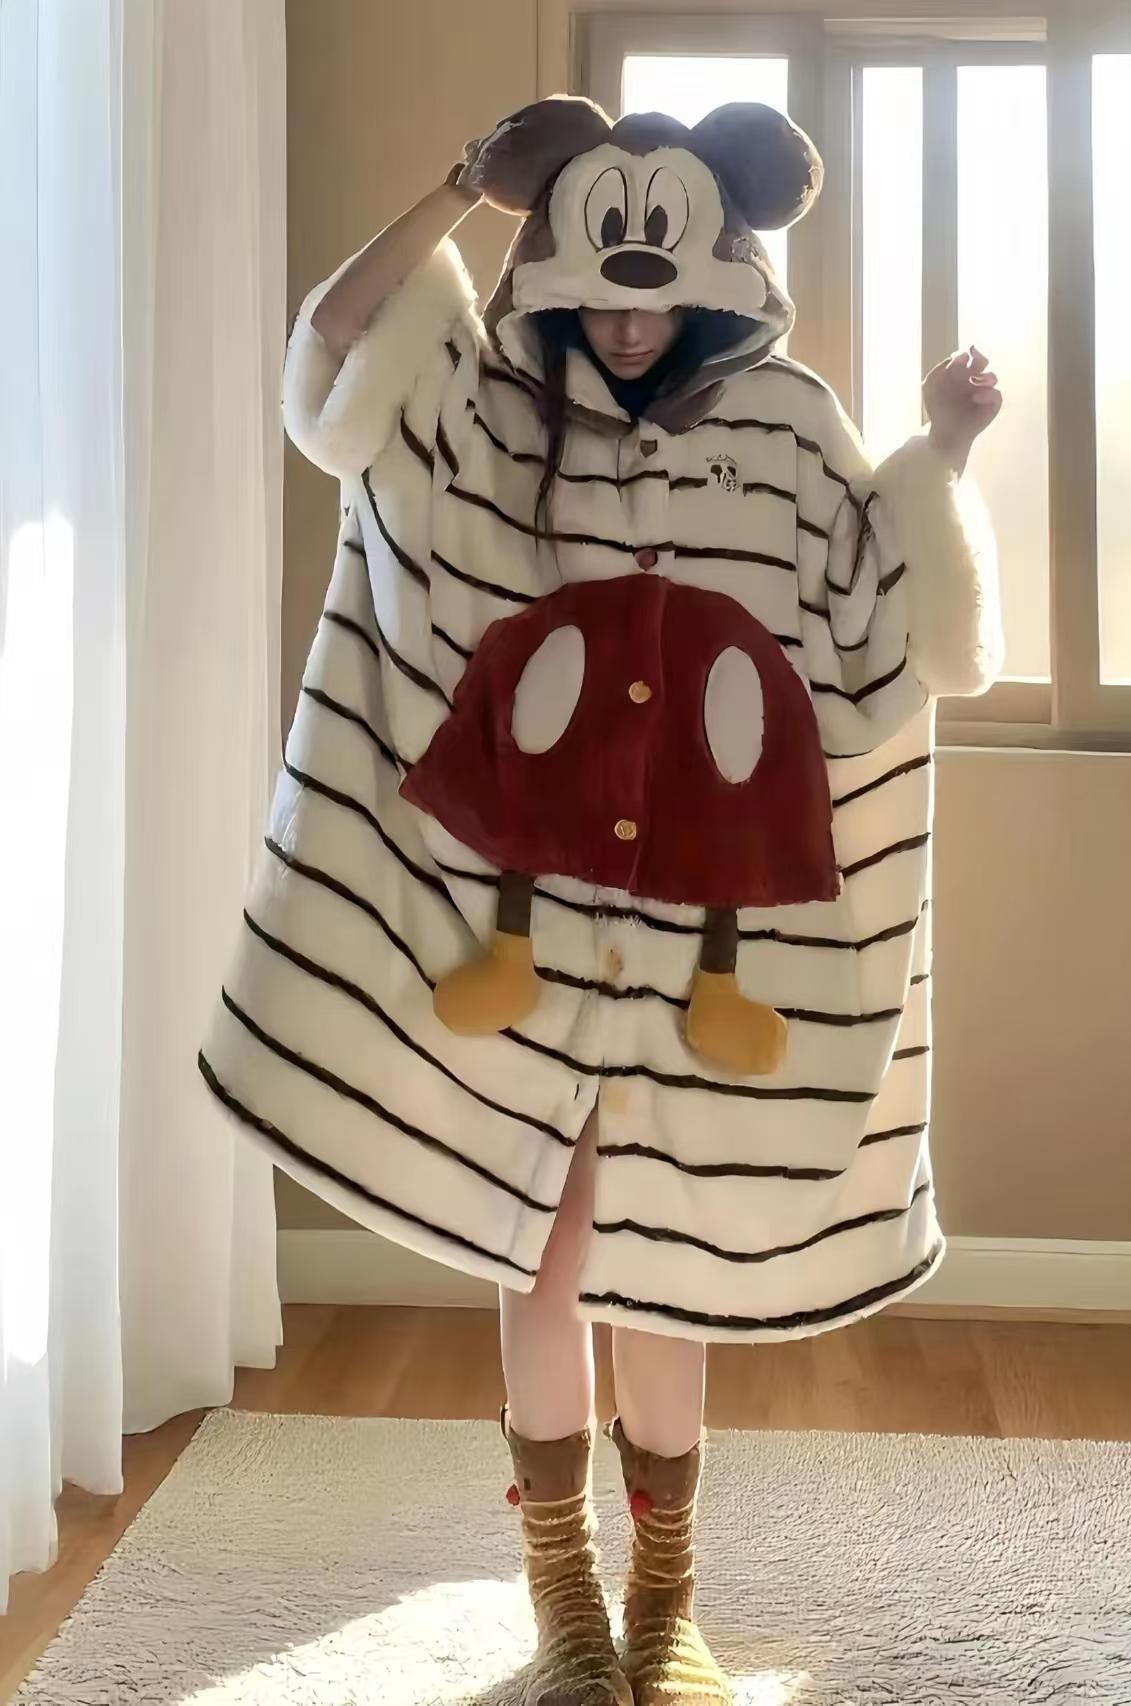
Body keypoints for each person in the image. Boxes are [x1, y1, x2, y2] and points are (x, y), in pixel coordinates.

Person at [201, 97, 1003, 1705]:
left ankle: (665, 1601)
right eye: (598, 283)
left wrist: (946, 453)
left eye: (658, 289)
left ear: (720, 269)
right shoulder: (496, 407)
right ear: (558, 265)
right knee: (548, 1250)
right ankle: (562, 1596)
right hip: (537, 937)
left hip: (703, 953)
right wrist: (461, 187)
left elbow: (883, 634)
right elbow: (335, 364)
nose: (628, 317)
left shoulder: (786, 425)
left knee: (671, 1268)